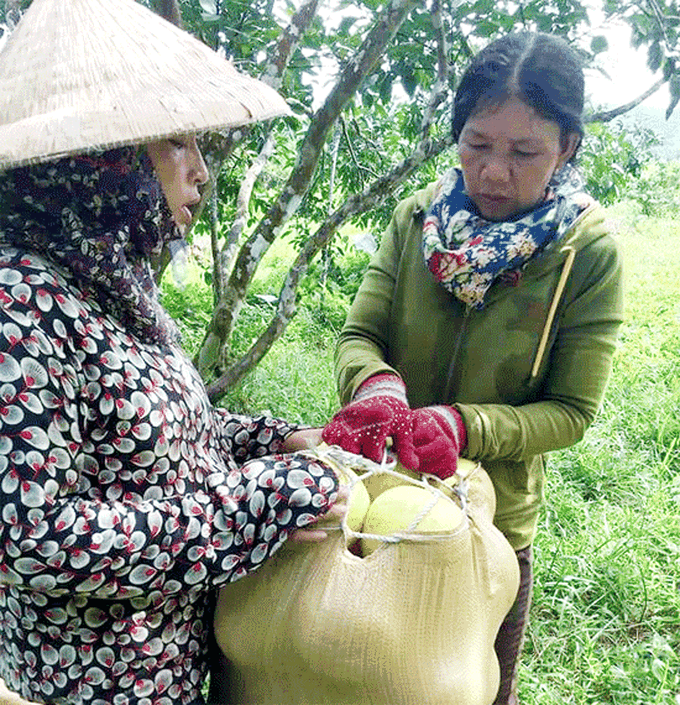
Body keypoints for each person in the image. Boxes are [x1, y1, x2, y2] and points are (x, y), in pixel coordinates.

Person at [0, 1, 345, 704]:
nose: (201, 174)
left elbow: (152, 439)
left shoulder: (107, 280)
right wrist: (251, 504)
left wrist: (271, 441)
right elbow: (32, 537)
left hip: (176, 667)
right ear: (104, 160)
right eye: (176, 145)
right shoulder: (18, 297)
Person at [322, 31, 624, 705]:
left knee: (472, 688)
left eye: (524, 152)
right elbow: (360, 333)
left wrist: (464, 426)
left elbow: (571, 412)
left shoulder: (587, 253)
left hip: (488, 528)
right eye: (478, 144)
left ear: (567, 147)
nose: (494, 172)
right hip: (371, 507)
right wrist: (378, 386)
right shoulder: (416, 220)